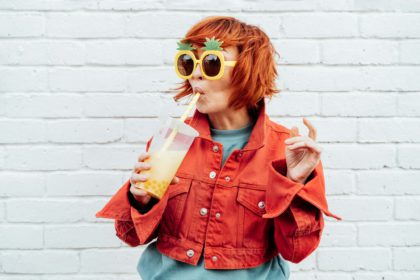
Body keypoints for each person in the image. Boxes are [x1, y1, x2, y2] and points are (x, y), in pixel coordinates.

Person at [96, 15, 341, 280]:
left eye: (212, 62)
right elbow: (130, 236)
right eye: (188, 62)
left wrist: (295, 182)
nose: (196, 74)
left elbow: (297, 250)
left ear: (248, 70)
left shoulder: (289, 150)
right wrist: (140, 200)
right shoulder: (171, 141)